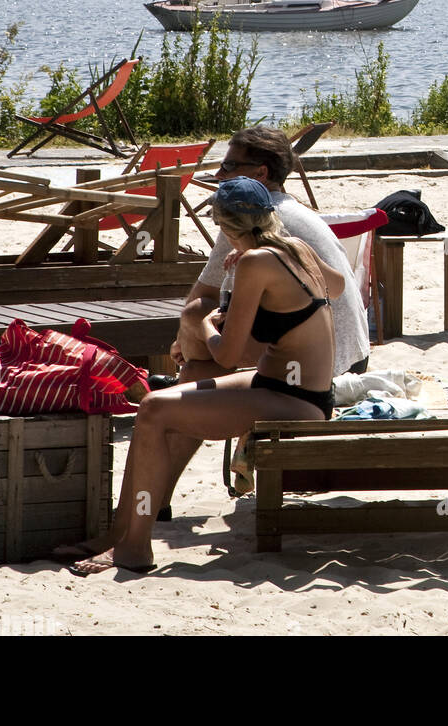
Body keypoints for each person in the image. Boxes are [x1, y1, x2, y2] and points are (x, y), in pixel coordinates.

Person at [58, 176, 346, 575]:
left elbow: (225, 356)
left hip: (291, 401)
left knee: (153, 410)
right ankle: (119, 533)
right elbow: (339, 283)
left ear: (226, 229)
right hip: (295, 389)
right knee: (174, 397)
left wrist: (207, 324)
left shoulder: (255, 261)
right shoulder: (293, 248)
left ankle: (134, 548)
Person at [154, 126, 370, 515]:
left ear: (261, 174)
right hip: (346, 352)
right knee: (198, 355)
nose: (219, 175)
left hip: (308, 372)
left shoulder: (245, 214)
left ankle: (158, 499)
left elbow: (201, 297)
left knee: (195, 362)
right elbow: (336, 286)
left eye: (229, 165)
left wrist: (184, 342)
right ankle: (161, 497)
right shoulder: (289, 212)